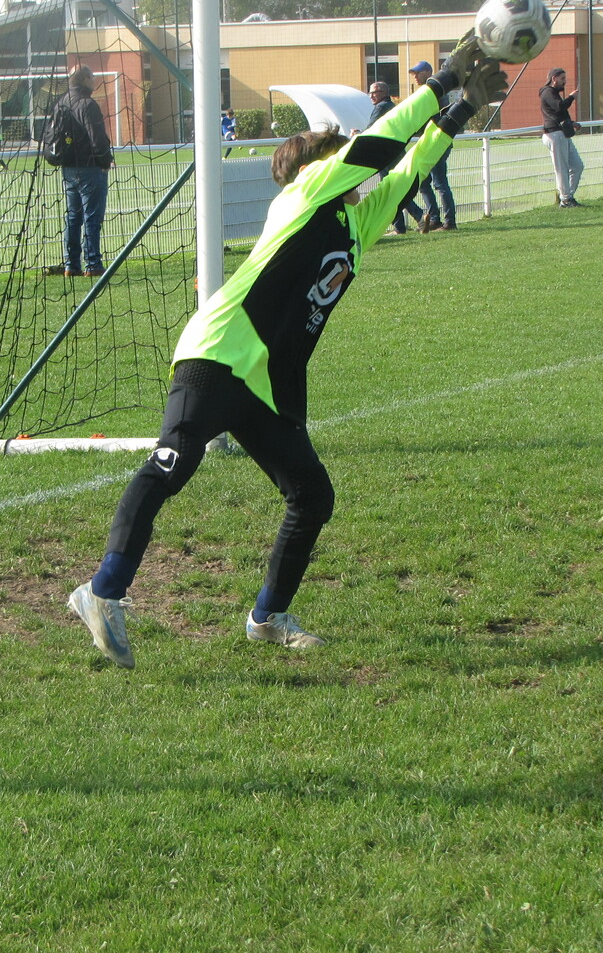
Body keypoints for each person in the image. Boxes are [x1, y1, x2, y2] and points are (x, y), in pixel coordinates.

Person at [66, 35, 508, 668]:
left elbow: (408, 170)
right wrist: (442, 84)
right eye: (338, 153)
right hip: (220, 351)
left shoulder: (355, 221)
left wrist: (462, 112)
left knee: (311, 495)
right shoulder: (304, 194)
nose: (351, 163)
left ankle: (267, 616)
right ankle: (102, 591)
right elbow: (381, 145)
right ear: (318, 167)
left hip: (269, 382)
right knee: (174, 463)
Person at [47, 65, 114, 277]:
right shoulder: (87, 104)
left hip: (68, 168)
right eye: (92, 77)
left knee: (73, 217)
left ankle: (71, 265)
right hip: (90, 167)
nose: (95, 81)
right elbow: (97, 138)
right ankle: (93, 264)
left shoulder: (61, 103)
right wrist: (106, 160)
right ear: (85, 79)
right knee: (92, 217)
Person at [372, 82, 426, 235]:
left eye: (374, 92)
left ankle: (406, 223)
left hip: (386, 156)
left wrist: (357, 133)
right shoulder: (392, 106)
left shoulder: (380, 108)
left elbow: (371, 128)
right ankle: (414, 219)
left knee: (390, 192)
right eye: (370, 93)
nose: (371, 96)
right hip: (397, 152)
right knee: (397, 190)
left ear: (384, 92)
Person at [409, 60, 456, 230]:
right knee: (424, 182)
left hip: (436, 142)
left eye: (418, 72)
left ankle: (449, 222)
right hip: (430, 142)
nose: (415, 76)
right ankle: (435, 219)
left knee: (439, 183)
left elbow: (424, 117)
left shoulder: (434, 93)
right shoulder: (431, 91)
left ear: (428, 72)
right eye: (413, 73)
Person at [539, 67, 584, 206]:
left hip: (562, 134)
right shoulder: (547, 92)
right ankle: (566, 199)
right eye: (562, 79)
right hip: (555, 134)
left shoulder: (552, 93)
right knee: (562, 168)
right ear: (554, 78)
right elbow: (560, 107)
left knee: (577, 166)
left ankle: (567, 197)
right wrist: (571, 97)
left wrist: (571, 123)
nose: (565, 82)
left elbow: (559, 113)